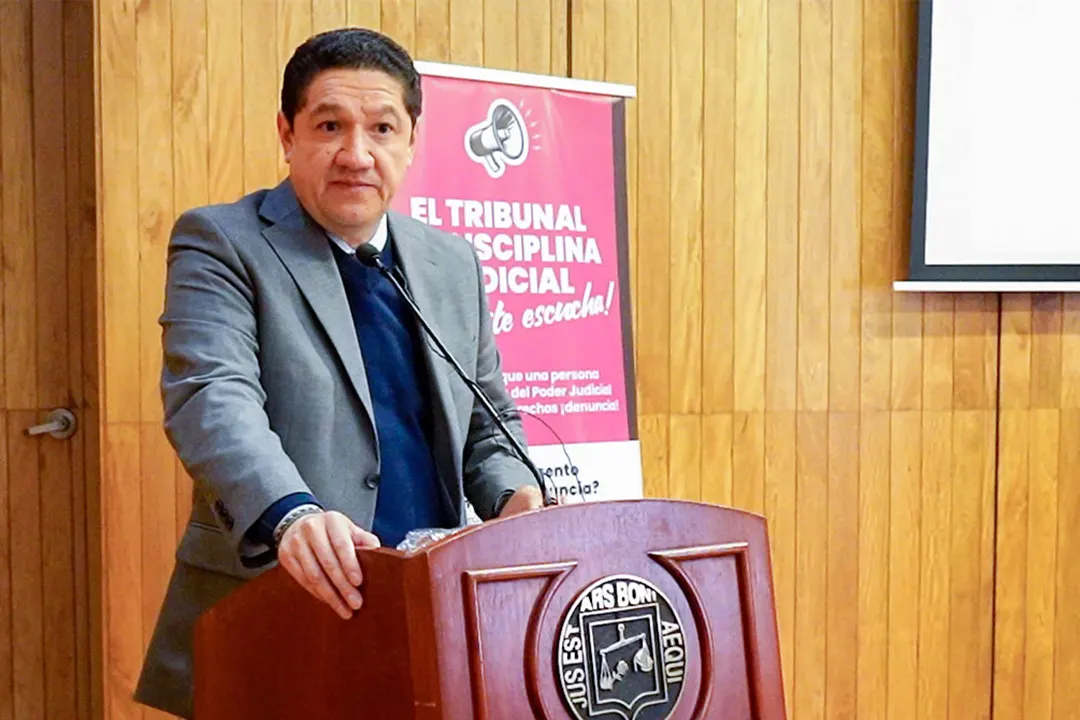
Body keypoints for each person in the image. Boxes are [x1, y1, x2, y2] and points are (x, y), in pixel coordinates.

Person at [134, 27, 544, 719]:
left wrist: (516, 499)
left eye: (382, 128)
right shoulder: (221, 241)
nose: (357, 154)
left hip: (429, 615)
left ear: (411, 141)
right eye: (330, 126)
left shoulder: (451, 262)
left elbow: (488, 421)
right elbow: (213, 396)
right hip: (275, 610)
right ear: (287, 134)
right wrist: (291, 515)